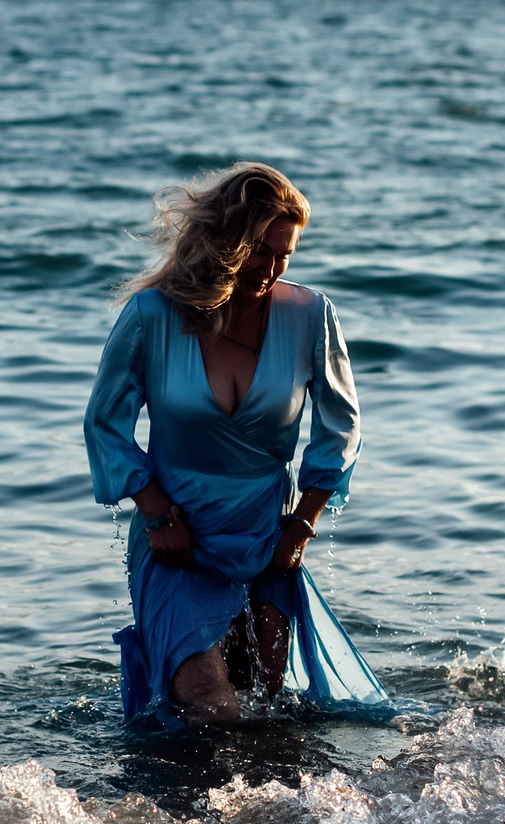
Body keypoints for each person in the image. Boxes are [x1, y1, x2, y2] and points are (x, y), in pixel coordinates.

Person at [84, 163, 389, 725]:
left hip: (267, 535)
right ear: (227, 241)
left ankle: (257, 816)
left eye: (285, 255)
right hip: (174, 535)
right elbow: (105, 423)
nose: (272, 269)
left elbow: (341, 426)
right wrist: (154, 514)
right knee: (210, 704)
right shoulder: (152, 316)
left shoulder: (310, 315)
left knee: (265, 712)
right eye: (260, 251)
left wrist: (301, 524)